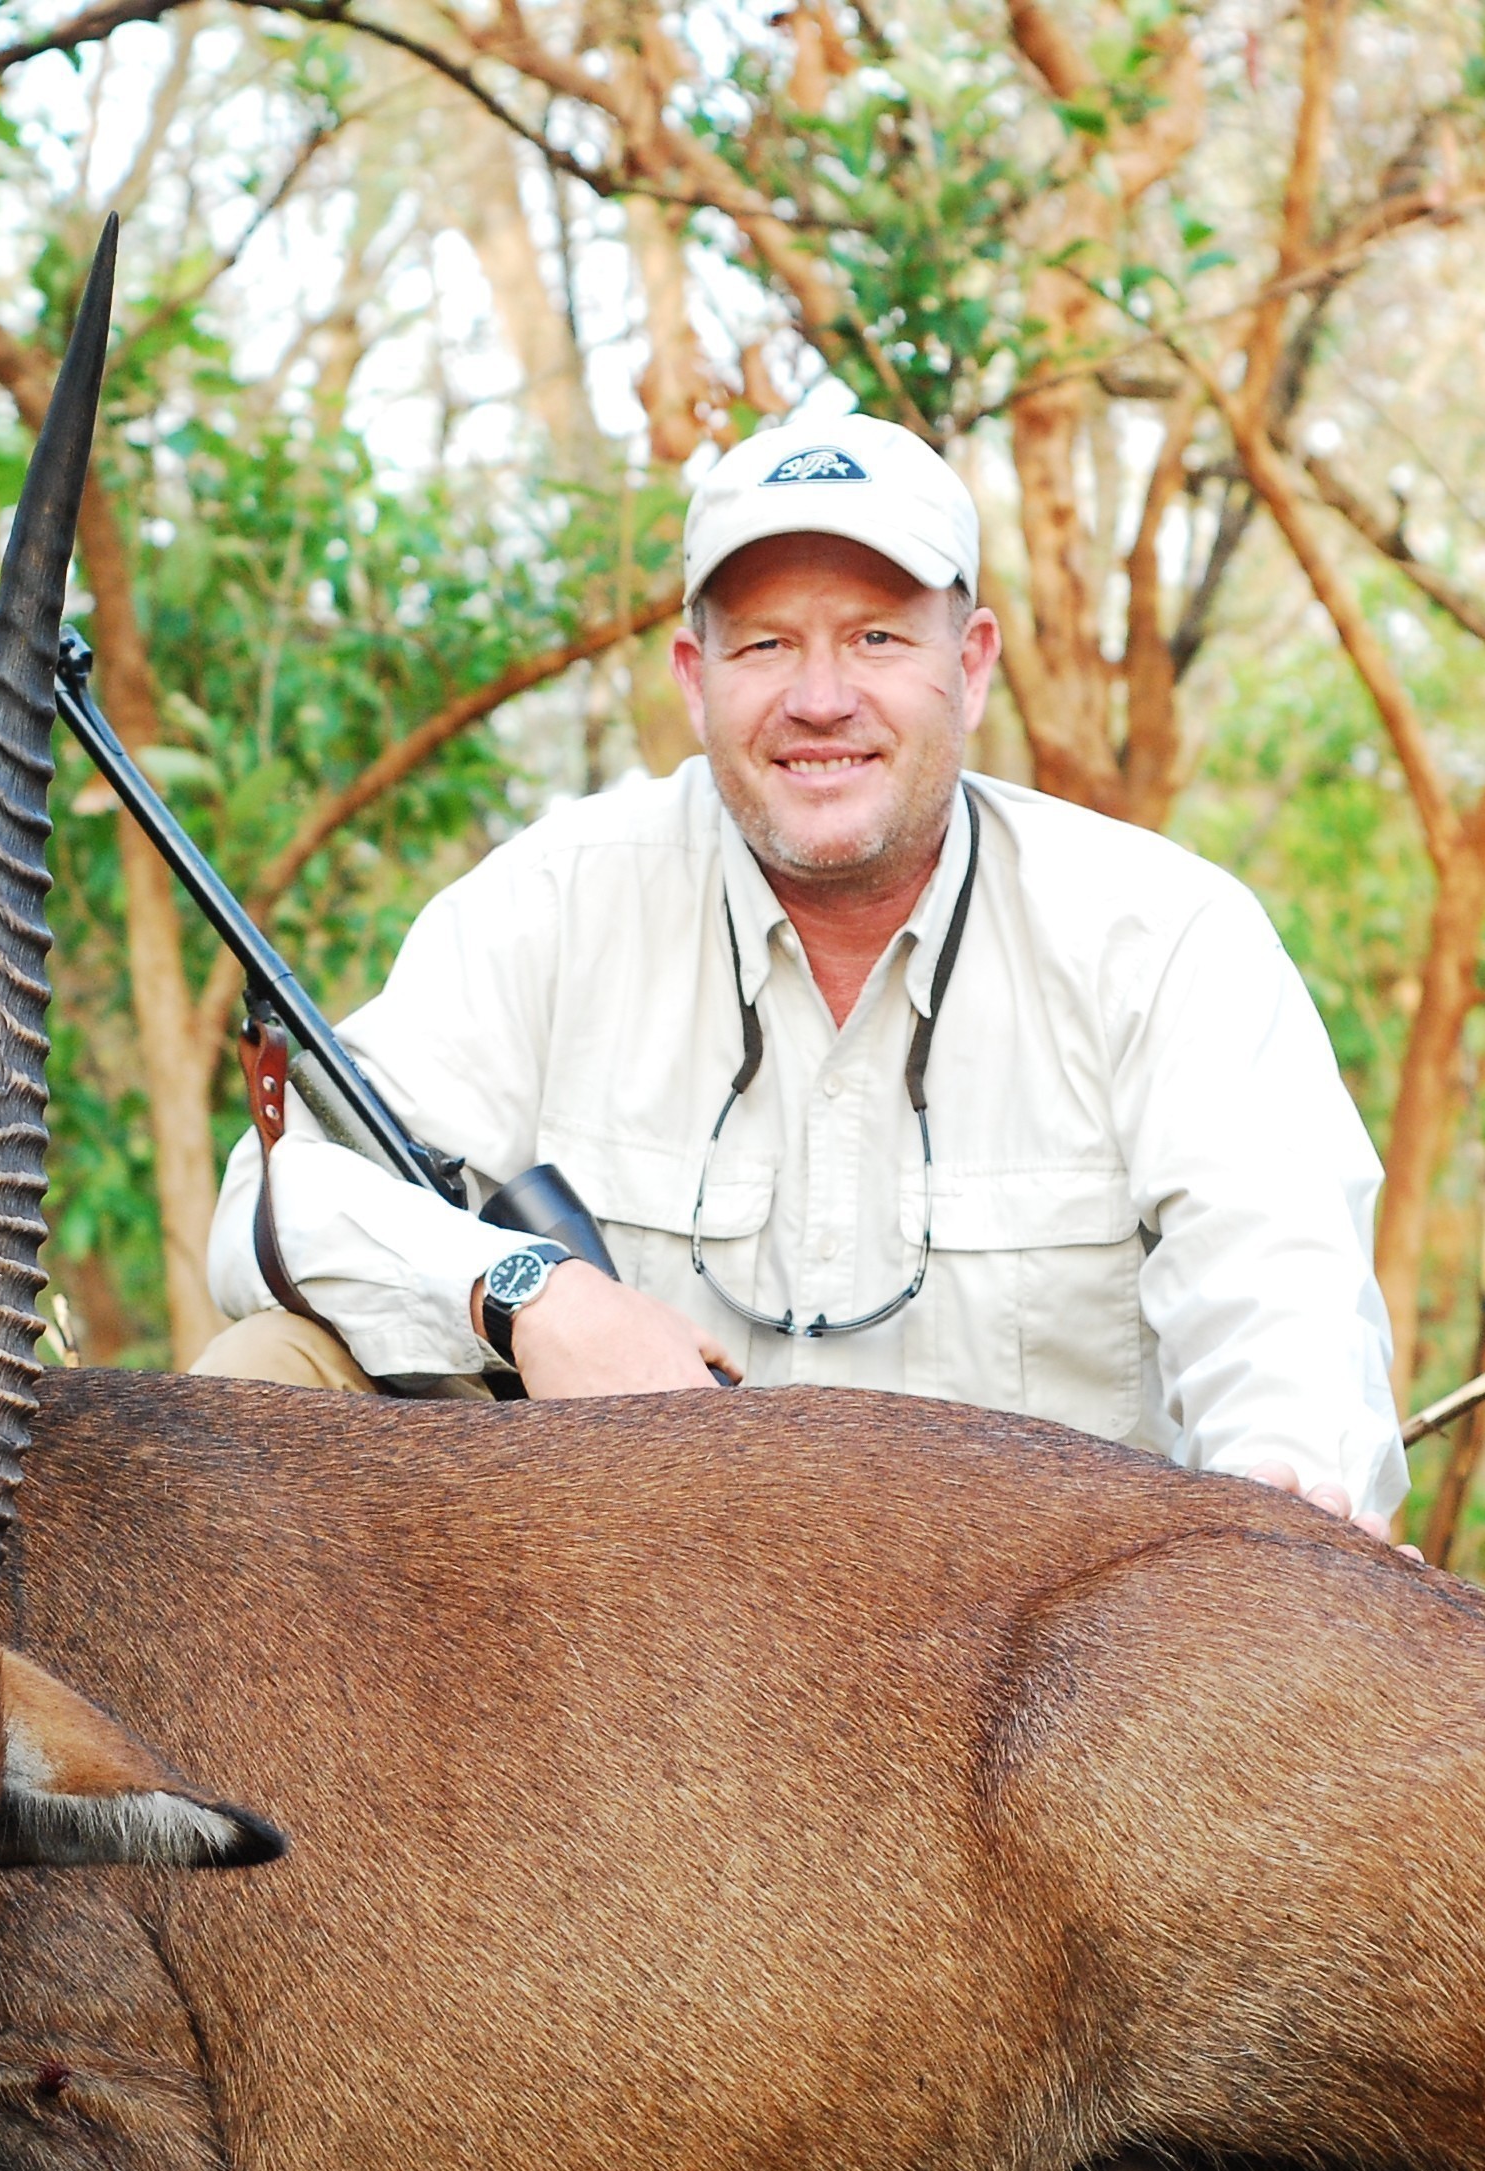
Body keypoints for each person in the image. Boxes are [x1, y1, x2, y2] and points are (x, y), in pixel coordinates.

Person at [192, 413, 1407, 1537]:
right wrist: (524, 1292)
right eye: (767, 645)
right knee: (265, 1376)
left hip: (1024, 1677)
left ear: (970, 665)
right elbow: (274, 1197)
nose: (819, 699)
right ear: (693, 678)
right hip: (605, 1633)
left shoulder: (1162, 933)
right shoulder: (555, 899)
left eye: (876, 638)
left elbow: (1278, 1318)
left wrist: (1286, 1494)